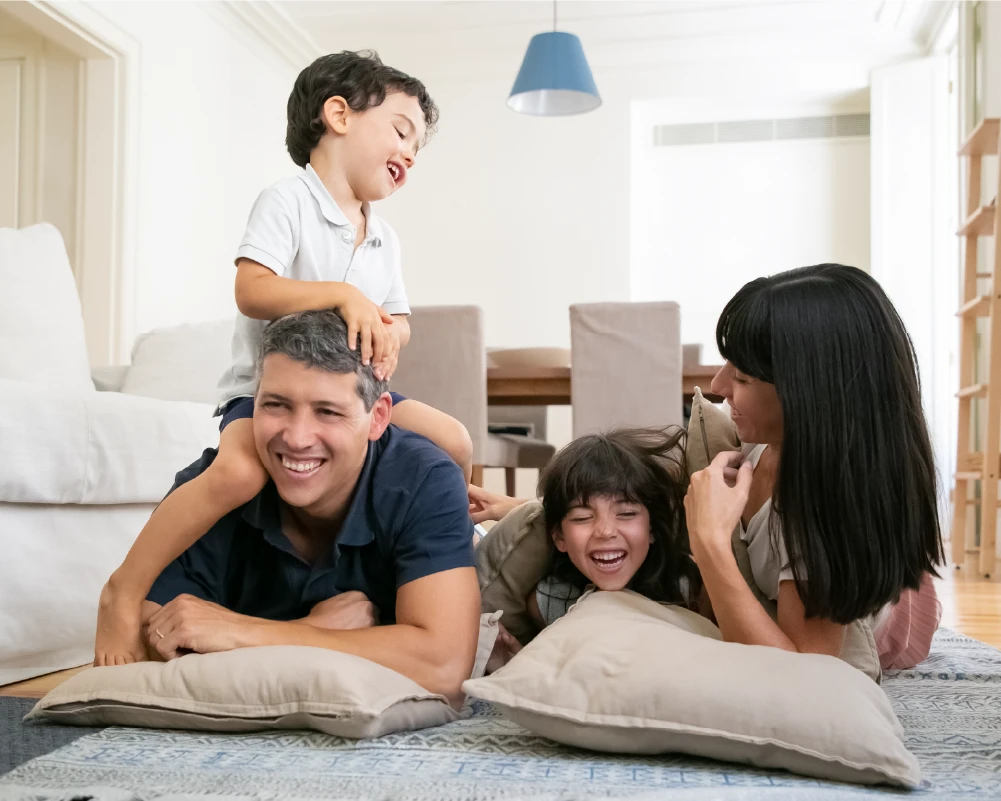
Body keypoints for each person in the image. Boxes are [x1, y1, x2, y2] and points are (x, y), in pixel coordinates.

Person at [96, 51, 473, 666]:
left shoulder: (383, 235)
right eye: (402, 131)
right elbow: (253, 290)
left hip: (355, 392)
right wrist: (342, 295)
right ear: (338, 115)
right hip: (261, 388)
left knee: (452, 441)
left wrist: (392, 333)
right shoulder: (289, 199)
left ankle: (444, 564)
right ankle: (123, 588)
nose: (410, 153)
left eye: (418, 148)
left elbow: (398, 315)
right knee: (241, 473)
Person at [137, 310, 480, 704]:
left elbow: (444, 667)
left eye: (328, 412)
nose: (297, 438)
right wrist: (319, 631)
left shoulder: (423, 479)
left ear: (378, 418)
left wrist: (243, 632)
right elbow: (150, 636)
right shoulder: (210, 489)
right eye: (276, 406)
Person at [684, 263, 944, 670]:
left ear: (806, 396)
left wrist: (710, 542)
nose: (717, 386)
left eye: (743, 378)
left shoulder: (819, 514)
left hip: (901, 618)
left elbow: (805, 676)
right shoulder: (765, 442)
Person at [473, 428, 705, 671]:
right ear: (559, 537)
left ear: (652, 529)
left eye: (626, 514)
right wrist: (516, 663)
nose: (605, 531)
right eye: (583, 518)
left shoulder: (687, 589)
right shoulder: (550, 601)